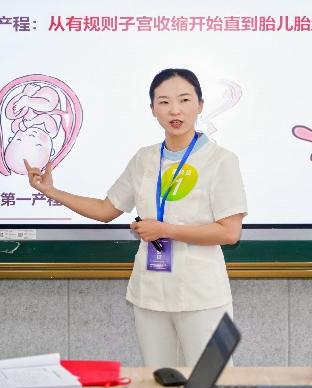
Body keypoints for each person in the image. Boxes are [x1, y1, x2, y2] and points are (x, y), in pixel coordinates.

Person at [23, 68, 248, 367]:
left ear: (200, 105)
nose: (175, 110)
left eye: (184, 100)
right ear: (153, 109)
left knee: (211, 378)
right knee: (159, 377)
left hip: (202, 295)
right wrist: (51, 191)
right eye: (164, 102)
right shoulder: (145, 158)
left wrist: (164, 229)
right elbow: (106, 209)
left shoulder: (221, 160)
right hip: (151, 292)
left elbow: (229, 232)